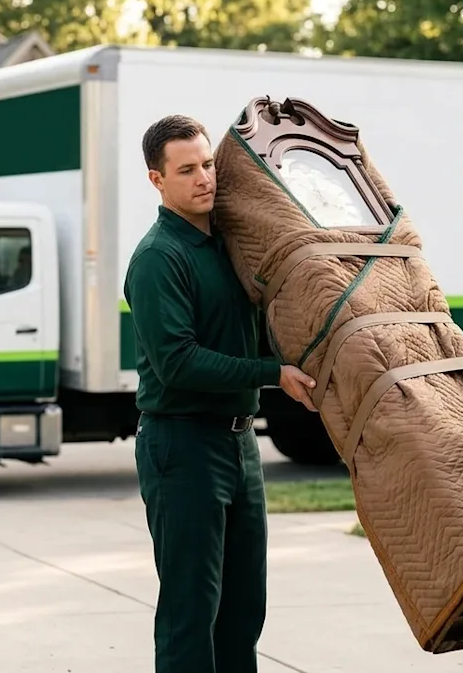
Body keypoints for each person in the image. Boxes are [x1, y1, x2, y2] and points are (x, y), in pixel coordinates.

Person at [123, 114, 318, 673]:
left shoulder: (228, 246)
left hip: (239, 447)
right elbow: (177, 362)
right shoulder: (159, 257)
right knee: (192, 614)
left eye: (207, 164)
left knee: (242, 613)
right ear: (157, 181)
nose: (204, 178)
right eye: (187, 170)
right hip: (181, 446)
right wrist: (271, 373)